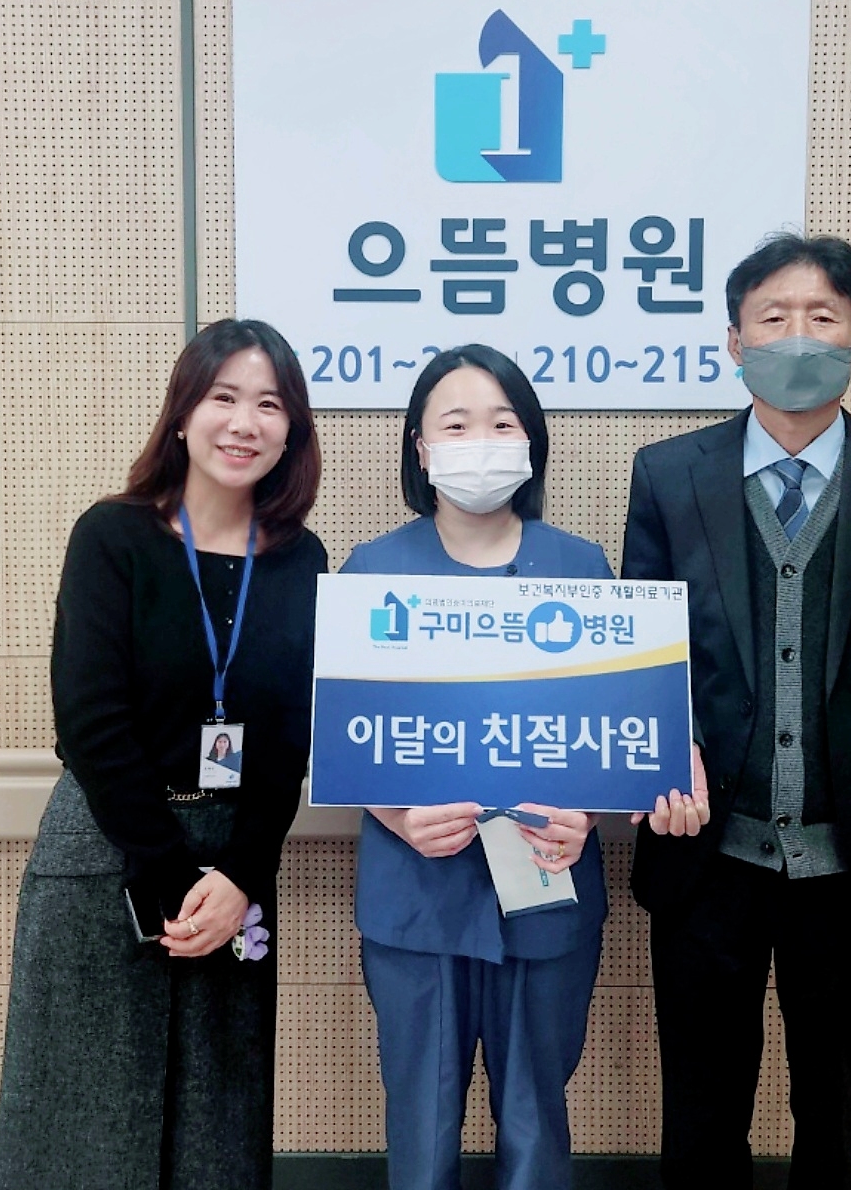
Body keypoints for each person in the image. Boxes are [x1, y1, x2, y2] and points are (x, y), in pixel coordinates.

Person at [622, 233, 851, 1190]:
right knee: (701, 1115)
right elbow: (643, 658)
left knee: (833, 1113)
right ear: (733, 341)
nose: (797, 335)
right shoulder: (668, 475)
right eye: (773, 317)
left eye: (823, 317)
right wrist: (664, 756)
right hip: (708, 859)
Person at [0, 319, 326, 1190]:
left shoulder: (301, 558)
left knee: (217, 1122)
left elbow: (290, 736)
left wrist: (241, 876)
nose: (244, 422)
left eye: (270, 404)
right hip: (110, 848)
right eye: (223, 398)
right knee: (83, 1118)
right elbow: (90, 721)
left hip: (235, 868)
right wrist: (170, 872)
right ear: (182, 414)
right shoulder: (113, 535)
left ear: (292, 429)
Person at [339, 344, 611, 1190]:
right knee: (422, 1127)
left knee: (536, 1119)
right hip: (417, 891)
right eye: (456, 425)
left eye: (502, 423)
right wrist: (395, 814)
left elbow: (617, 729)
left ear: (531, 442)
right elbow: (341, 736)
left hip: (547, 882)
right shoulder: (371, 572)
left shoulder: (583, 568)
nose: (481, 442)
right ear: (420, 448)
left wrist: (590, 811)